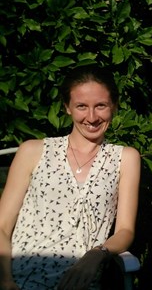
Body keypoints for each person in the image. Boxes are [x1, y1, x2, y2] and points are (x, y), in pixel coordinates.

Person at [0, 65, 140, 290]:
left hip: (79, 280)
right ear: (67, 107)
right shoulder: (32, 151)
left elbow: (125, 230)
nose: (92, 117)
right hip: (19, 277)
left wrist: (97, 254)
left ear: (114, 106)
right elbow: (2, 225)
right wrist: (5, 280)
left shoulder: (125, 158)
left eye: (101, 106)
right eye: (81, 106)